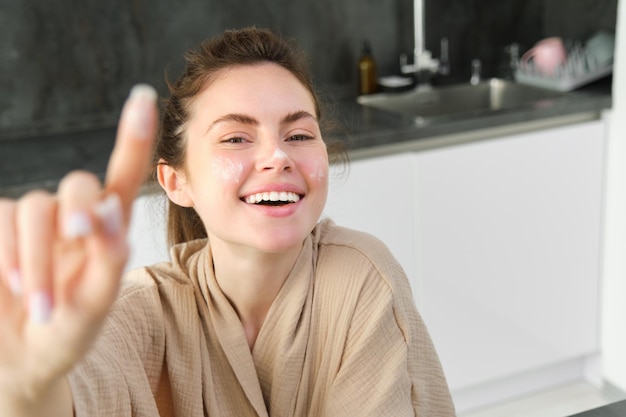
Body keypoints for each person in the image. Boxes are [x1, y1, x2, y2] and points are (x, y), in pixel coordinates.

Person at [0, 27, 455, 416]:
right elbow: (73, 393)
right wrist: (26, 386)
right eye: (236, 138)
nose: (277, 157)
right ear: (176, 182)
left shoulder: (361, 278)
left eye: (298, 135)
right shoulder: (141, 310)